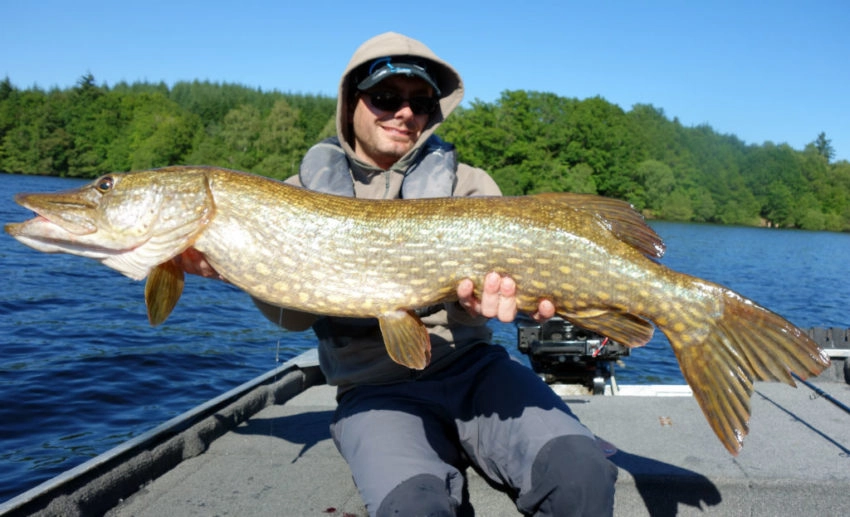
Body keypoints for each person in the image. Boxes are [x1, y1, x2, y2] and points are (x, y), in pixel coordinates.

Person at [181, 32, 617, 516]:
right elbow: (294, 320)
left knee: (581, 471)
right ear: (352, 103)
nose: (404, 113)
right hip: (375, 390)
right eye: (386, 98)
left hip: (474, 371)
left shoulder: (469, 186)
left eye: (420, 101)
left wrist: (496, 306)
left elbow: (505, 301)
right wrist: (236, 270)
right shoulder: (292, 198)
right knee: (412, 507)